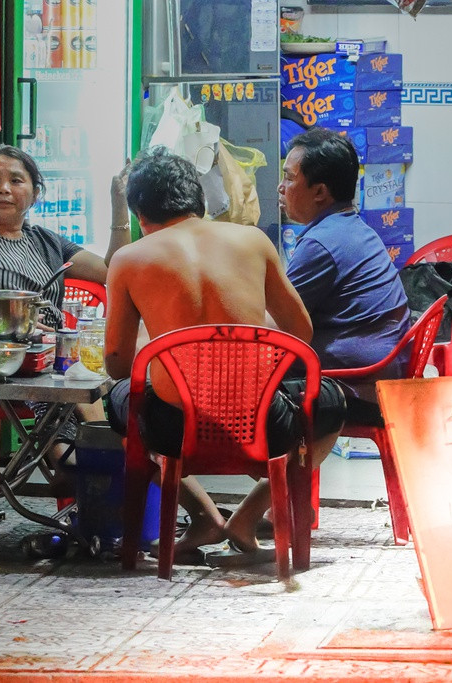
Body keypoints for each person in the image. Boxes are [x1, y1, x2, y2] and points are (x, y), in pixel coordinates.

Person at [103, 147, 346, 560]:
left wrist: (161, 351)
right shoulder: (253, 240)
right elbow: (300, 333)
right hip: (262, 424)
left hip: (174, 430)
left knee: (117, 401)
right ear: (199, 201)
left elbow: (118, 364)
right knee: (332, 402)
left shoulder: (127, 259)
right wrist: (251, 358)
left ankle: (201, 515)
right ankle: (249, 514)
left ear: (141, 217)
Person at [0, 143, 131, 487]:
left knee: (109, 383)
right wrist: (12, 326)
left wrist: (119, 206)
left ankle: (97, 469)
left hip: (47, 361)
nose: (4, 188)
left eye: (16, 180)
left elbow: (116, 270)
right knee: (59, 388)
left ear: (35, 194)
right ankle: (80, 469)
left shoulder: (47, 242)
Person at [279, 127, 410, 425]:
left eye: (289, 177)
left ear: (320, 192)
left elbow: (278, 324)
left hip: (358, 385)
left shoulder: (321, 243)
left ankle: (271, 467)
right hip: (382, 371)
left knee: (244, 369)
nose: (280, 187)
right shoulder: (351, 227)